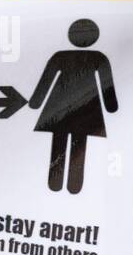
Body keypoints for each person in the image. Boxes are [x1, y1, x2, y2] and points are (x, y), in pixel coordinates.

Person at [29, 19, 118, 194]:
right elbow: (106, 84)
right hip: (85, 107)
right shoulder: (97, 57)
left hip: (61, 107)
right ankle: (73, 185)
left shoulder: (61, 56)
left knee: (60, 143)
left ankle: (58, 184)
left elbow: (46, 80)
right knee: (78, 145)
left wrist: (35, 103)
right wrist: (110, 106)